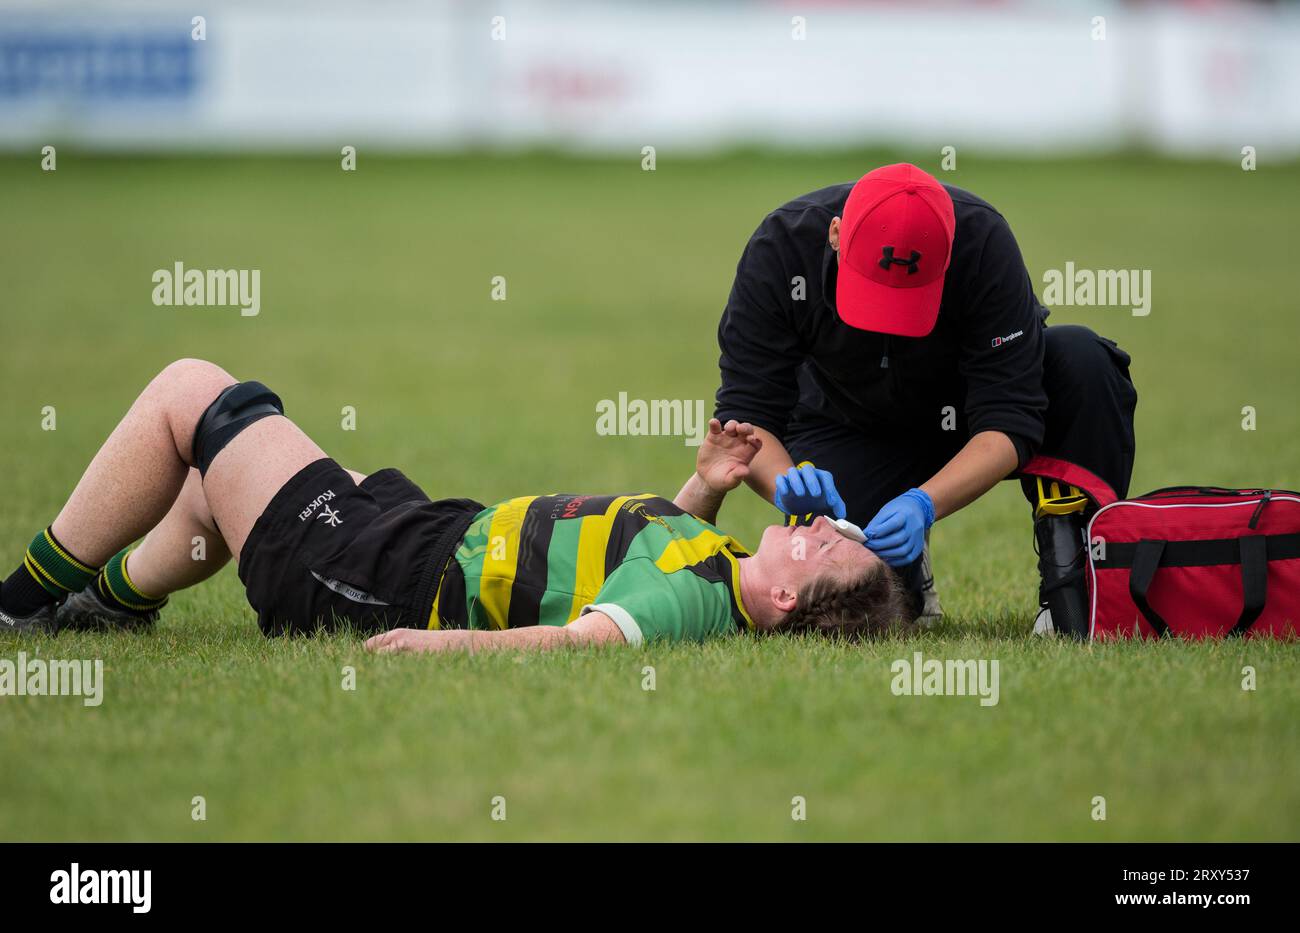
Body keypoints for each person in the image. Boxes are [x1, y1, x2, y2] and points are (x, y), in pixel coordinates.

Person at [0, 359, 914, 653]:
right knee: (213, 486)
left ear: (789, 599)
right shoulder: (711, 564)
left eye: (832, 549)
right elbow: (654, 551)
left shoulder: (691, 600)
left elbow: (580, 638)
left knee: (197, 395)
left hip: (384, 573)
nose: (831, 526)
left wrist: (445, 645)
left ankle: (16, 602)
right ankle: (112, 604)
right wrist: (705, 483)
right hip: (424, 532)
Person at [712, 162, 1137, 631]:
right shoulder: (781, 250)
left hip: (967, 420)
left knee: (1082, 358)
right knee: (868, 599)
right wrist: (787, 484)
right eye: (872, 297)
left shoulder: (983, 243)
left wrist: (924, 502)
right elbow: (745, 416)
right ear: (835, 234)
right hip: (847, 425)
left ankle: (1074, 578)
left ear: (950, 253)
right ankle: (912, 578)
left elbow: (1010, 417)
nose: (885, 324)